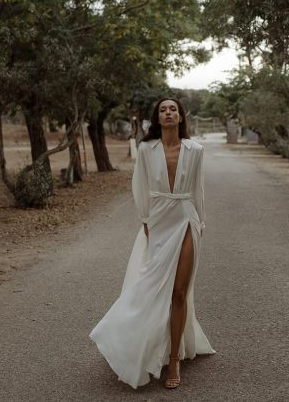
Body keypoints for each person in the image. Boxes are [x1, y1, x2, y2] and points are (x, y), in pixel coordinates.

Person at [89, 97, 215, 389]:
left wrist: (201, 223)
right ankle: (132, 339)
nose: (168, 113)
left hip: (186, 219)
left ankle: (173, 360)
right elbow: (140, 186)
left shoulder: (195, 150)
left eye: (173, 109)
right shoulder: (146, 149)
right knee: (152, 288)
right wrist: (145, 220)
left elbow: (198, 189)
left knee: (179, 291)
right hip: (158, 221)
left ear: (181, 117)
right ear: (157, 119)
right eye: (163, 110)